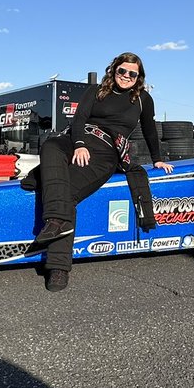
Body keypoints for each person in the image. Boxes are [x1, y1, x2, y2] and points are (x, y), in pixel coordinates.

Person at [26, 52, 174, 291]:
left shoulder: (143, 99)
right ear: (113, 70)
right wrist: (79, 144)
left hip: (107, 152)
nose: (126, 76)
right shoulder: (96, 91)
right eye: (122, 71)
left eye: (132, 73)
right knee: (51, 145)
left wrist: (157, 159)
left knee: (69, 192)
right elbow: (79, 119)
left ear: (139, 77)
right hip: (79, 140)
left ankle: (58, 266)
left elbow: (149, 129)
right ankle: (58, 220)